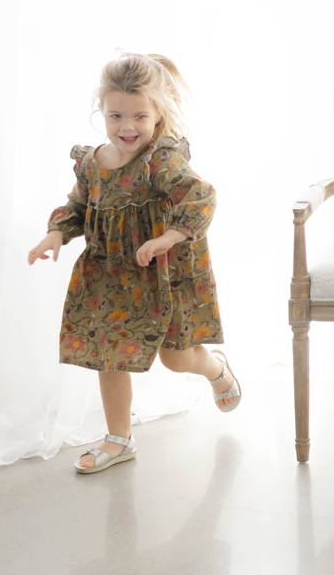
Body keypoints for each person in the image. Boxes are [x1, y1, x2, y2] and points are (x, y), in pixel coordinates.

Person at [26, 53, 240, 474]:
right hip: (112, 274)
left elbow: (200, 196)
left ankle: (215, 368)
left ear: (158, 113)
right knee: (109, 354)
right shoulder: (93, 162)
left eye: (140, 116)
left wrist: (167, 237)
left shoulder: (162, 158)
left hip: (165, 273)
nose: (127, 127)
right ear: (100, 111)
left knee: (177, 358)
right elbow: (78, 204)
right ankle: (119, 439)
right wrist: (55, 233)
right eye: (116, 115)